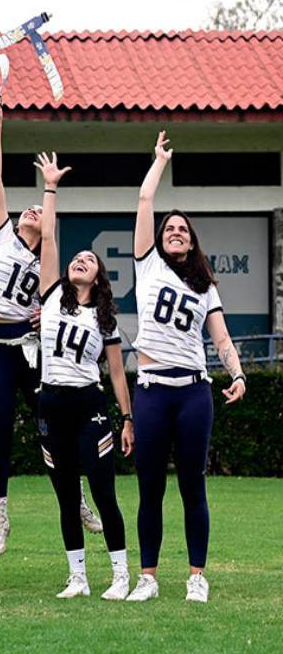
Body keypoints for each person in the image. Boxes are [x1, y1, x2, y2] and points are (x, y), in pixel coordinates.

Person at [0, 100, 101, 556]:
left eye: (38, 209)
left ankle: (78, 498)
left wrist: (46, 313)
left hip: (30, 349)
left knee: (52, 429)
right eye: (25, 209)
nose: (30, 212)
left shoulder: (50, 258)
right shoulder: (0, 234)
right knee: (0, 431)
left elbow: (62, 302)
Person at [126, 131, 246, 604]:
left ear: (192, 240)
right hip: (153, 390)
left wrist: (236, 374)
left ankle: (197, 574)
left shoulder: (204, 286)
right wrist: (158, 161)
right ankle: (149, 576)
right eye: (169, 227)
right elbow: (143, 198)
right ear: (160, 238)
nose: (175, 231)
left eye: (183, 229)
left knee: (192, 485)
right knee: (150, 487)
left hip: (193, 391)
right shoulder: (148, 266)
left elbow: (219, 337)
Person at [34, 152, 133, 600]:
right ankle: (78, 576)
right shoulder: (52, 294)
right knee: (66, 495)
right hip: (51, 402)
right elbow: (49, 240)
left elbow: (116, 373)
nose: (79, 261)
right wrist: (49, 188)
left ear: (99, 275)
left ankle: (120, 573)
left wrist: (127, 417)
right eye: (77, 258)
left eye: (88, 260)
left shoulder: (105, 317)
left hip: (88, 405)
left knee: (103, 491)